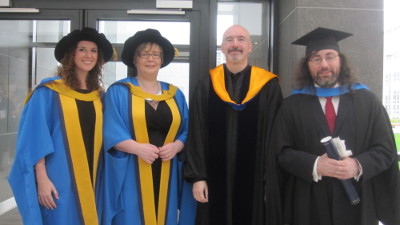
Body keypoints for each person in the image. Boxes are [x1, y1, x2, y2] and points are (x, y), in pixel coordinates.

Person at [274, 27, 400, 225]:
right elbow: (281, 152)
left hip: (357, 204)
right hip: (309, 204)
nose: (324, 64)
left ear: (340, 60)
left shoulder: (367, 102)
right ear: (307, 65)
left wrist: (358, 165)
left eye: (330, 56)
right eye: (316, 58)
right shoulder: (291, 106)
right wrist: (315, 164)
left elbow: (385, 150)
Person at [8, 27, 113, 225]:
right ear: (71, 54)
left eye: (93, 50)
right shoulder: (49, 92)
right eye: (82, 49)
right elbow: (34, 137)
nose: (88, 55)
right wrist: (42, 178)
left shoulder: (100, 96)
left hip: (94, 175)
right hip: (59, 175)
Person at [183, 24, 283, 225]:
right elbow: (196, 132)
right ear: (222, 47)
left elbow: (275, 137)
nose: (235, 44)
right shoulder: (206, 85)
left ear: (250, 46)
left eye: (241, 39)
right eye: (229, 40)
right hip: (213, 181)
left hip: (254, 183)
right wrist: (198, 177)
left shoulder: (268, 87)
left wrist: (269, 182)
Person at [97, 28, 196, 225]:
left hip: (167, 168)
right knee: (131, 216)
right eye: (144, 54)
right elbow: (110, 130)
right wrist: (137, 148)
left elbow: (186, 129)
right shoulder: (119, 91)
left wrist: (176, 146)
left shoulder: (175, 94)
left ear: (162, 59)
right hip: (132, 169)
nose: (150, 59)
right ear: (135, 59)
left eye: (155, 54)